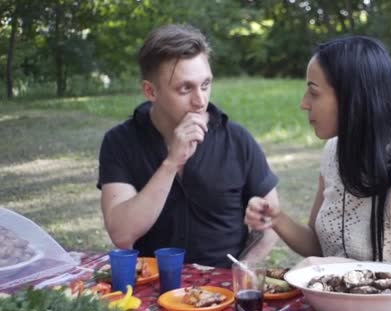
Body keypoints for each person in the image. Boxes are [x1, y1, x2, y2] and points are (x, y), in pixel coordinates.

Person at [245, 36, 391, 294]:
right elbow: (319, 246)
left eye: (314, 92)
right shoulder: (334, 152)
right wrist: (277, 219)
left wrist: (337, 270)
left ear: (353, 98)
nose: (304, 103)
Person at [97, 24, 279, 268]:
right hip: (152, 286)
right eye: (185, 89)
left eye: (205, 85)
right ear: (150, 91)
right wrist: (171, 163)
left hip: (222, 288)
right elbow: (122, 235)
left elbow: (272, 224)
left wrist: (242, 268)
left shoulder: (237, 140)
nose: (200, 101)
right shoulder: (119, 141)